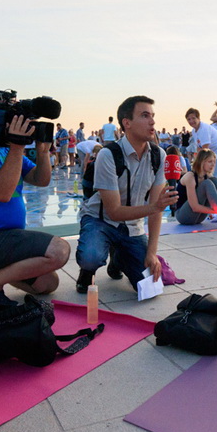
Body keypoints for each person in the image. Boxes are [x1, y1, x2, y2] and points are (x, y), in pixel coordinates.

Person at [0, 115, 70, 307]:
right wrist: (17, 146)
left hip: (5, 239)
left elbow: (41, 180)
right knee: (59, 251)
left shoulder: (4, 150)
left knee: (48, 283)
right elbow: (2, 193)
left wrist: (42, 152)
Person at [75, 96, 177, 293]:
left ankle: (119, 258)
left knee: (150, 288)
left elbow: (156, 210)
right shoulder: (108, 154)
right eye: (145, 115)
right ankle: (87, 271)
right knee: (91, 256)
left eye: (153, 116)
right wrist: (155, 206)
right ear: (127, 123)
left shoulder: (158, 156)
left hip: (132, 227)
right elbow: (113, 212)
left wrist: (152, 253)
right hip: (101, 220)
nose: (153, 121)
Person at [185, 108, 217, 185]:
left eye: (193, 118)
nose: (191, 121)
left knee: (214, 175)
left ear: (198, 118)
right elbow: (199, 147)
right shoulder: (194, 131)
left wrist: (199, 162)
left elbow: (205, 149)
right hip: (212, 153)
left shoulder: (204, 129)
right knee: (208, 173)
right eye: (189, 119)